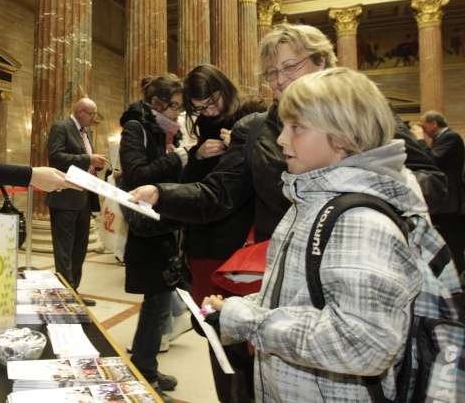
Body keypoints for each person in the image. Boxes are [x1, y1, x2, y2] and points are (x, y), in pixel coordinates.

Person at [202, 67, 423, 402]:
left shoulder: (358, 222)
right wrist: (242, 307)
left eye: (297, 127)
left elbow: (362, 343)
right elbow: (301, 300)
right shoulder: (309, 201)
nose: (280, 139)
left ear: (344, 133)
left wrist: (251, 323)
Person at [129, 23, 446, 247]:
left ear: (320, 62)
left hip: (362, 255)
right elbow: (218, 194)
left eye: (290, 66)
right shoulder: (254, 129)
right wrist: (161, 193)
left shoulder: (364, 112)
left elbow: (432, 182)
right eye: (271, 72)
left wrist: (359, 195)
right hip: (283, 264)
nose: (280, 80)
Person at [180, 64, 266, 402]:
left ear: (225, 89)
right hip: (202, 246)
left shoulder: (253, 117)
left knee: (246, 337)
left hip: (240, 249)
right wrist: (197, 156)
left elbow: (269, 180)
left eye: (212, 101)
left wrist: (244, 146)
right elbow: (192, 190)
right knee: (214, 331)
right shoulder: (202, 130)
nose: (208, 111)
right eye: (199, 108)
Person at [119, 74, 190, 403]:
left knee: (160, 305)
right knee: (156, 304)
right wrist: (179, 158)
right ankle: (144, 372)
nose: (178, 113)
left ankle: (147, 362)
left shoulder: (166, 132)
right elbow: (136, 176)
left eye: (180, 106)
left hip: (166, 225)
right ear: (157, 103)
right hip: (147, 228)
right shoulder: (136, 128)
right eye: (174, 106)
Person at [47, 98, 108, 306]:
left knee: (79, 248)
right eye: (91, 114)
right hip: (64, 197)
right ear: (80, 111)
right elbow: (55, 157)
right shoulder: (61, 127)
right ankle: (65, 294)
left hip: (84, 197)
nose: (94, 118)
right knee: (64, 249)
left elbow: (83, 160)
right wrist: (87, 160)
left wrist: (95, 166)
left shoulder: (87, 132)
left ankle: (74, 291)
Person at [411, 110, 465, 279]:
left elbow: (431, 160)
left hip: (450, 203)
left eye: (424, 124)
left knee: (453, 242)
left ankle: (458, 278)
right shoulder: (441, 139)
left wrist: (419, 139)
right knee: (447, 242)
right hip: (445, 203)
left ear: (434, 123)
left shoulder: (451, 137)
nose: (422, 128)